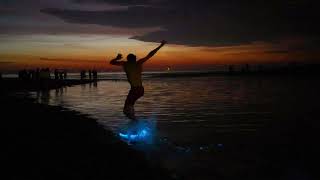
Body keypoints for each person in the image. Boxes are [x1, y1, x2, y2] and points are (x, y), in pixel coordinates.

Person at [109, 40, 167, 120]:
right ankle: (135, 121)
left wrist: (117, 58)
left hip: (135, 89)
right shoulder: (138, 63)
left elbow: (111, 62)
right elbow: (150, 54)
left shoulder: (125, 64)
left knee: (127, 109)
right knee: (129, 107)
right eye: (134, 59)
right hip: (140, 90)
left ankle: (136, 121)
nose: (134, 60)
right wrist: (161, 46)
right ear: (134, 59)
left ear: (128, 59)